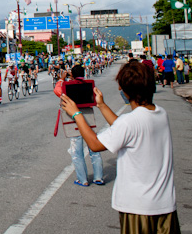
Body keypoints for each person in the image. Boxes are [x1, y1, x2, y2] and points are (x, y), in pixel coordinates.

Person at [60, 61, 180, 233]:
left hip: (138, 209)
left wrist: (76, 114)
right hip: (165, 206)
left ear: (124, 91)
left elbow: (94, 145)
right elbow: (124, 129)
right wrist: (101, 105)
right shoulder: (160, 113)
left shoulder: (129, 123)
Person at [54, 64, 103, 187]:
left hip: (74, 120)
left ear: (72, 75)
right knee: (94, 150)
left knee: (77, 152)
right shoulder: (90, 85)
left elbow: (58, 91)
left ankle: (83, 179)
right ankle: (98, 177)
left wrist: (61, 79)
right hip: (89, 120)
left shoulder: (67, 86)